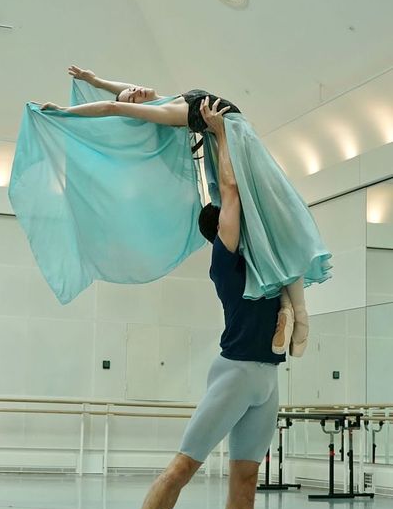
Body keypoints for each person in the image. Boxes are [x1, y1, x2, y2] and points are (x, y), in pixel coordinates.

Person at [96, 97, 294, 509]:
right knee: (182, 469)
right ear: (223, 231)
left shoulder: (266, 259)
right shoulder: (226, 260)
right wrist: (220, 132)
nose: (243, 218)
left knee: (246, 483)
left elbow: (248, 200)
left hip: (267, 380)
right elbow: (229, 189)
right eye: (234, 218)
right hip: (233, 375)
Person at [40, 66, 332, 356]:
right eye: (130, 95)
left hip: (242, 146)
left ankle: (289, 309)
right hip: (239, 153)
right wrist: (65, 113)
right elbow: (111, 108)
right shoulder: (169, 114)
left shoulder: (166, 100)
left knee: (276, 225)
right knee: (279, 223)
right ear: (139, 109)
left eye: (130, 89)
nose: (133, 90)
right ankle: (297, 314)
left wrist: (96, 80)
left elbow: (121, 95)